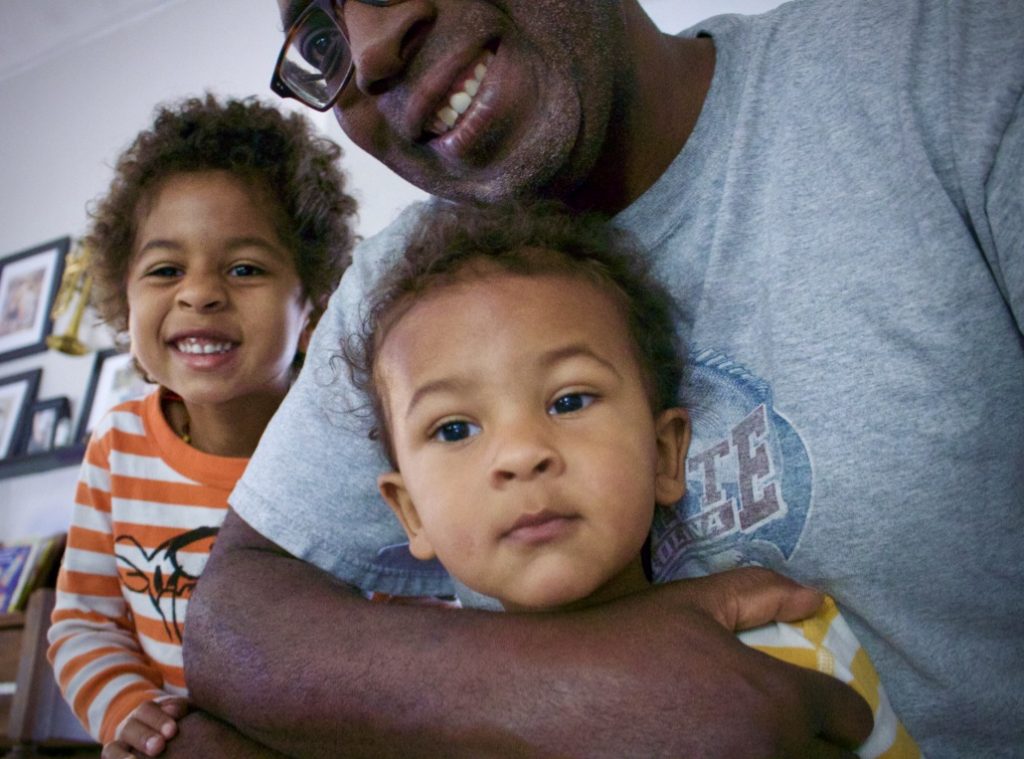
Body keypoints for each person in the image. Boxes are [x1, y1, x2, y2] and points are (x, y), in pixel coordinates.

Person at [184, 1, 1023, 757]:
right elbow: (233, 622)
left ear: (668, 447)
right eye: (321, 34)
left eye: (572, 400)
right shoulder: (402, 287)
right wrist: (570, 683)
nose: (367, 50)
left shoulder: (950, 61)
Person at [347, 201, 918, 759]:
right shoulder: (427, 726)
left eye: (569, 400)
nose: (521, 454)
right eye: (453, 430)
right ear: (411, 512)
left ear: (665, 454)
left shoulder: (788, 646)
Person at [46, 94, 356, 758]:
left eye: (244, 268)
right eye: (165, 270)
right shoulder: (116, 447)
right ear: (122, 295)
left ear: (313, 304)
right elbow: (83, 623)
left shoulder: (351, 451)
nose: (199, 293)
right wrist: (131, 710)